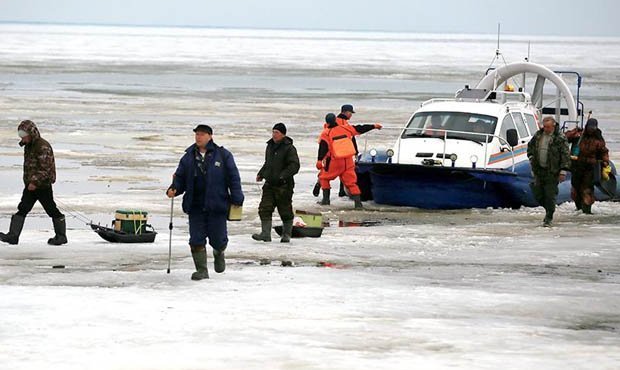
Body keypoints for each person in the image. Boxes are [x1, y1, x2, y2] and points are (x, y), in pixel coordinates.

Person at [167, 124, 244, 280]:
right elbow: (180, 177)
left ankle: (219, 251)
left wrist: (237, 198)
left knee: (218, 239)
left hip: (217, 205)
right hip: (195, 205)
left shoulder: (223, 155)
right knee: (196, 239)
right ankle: (202, 270)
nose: (198, 137)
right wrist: (174, 189)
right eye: (197, 134)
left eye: (201, 134)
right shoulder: (188, 157)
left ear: (210, 136)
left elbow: (233, 178)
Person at [0, 120, 67, 245]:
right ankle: (13, 236)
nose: (22, 138)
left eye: (23, 135)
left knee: (51, 210)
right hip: (31, 186)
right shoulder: (29, 145)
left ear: (31, 133)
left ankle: (61, 236)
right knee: (23, 208)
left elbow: (45, 169)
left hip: (42, 186)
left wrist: (35, 182)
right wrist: (29, 183)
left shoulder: (42, 146)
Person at [317, 111, 382, 208]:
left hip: (334, 161)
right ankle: (358, 204)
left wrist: (319, 160)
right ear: (335, 120)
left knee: (324, 178)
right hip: (348, 161)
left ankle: (326, 200)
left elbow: (323, 147)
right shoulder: (346, 128)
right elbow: (360, 128)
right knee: (351, 183)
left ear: (327, 123)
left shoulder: (326, 133)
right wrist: (374, 126)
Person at [252, 123, 300, 243]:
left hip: (284, 185)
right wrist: (261, 173)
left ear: (283, 134)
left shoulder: (289, 148)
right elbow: (268, 163)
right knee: (264, 209)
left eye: (277, 132)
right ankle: (265, 234)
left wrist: (283, 176)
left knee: (285, 211)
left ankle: (286, 234)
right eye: (273, 132)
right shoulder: (270, 146)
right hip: (269, 184)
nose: (274, 134)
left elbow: (295, 165)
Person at [526, 116, 571, 227]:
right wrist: (531, 157)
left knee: (550, 195)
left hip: (552, 171)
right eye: (544, 126)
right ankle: (549, 209)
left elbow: (565, 155)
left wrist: (563, 171)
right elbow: (530, 146)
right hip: (539, 170)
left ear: (553, 126)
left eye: (548, 127)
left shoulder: (560, 138)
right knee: (538, 194)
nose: (545, 129)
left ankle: (549, 217)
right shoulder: (538, 135)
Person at [568, 118, 609, 214]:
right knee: (575, 189)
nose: (591, 130)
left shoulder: (598, 139)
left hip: (590, 168)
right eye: (590, 127)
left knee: (587, 190)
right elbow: (565, 138)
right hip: (576, 166)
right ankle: (578, 209)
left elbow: (604, 151)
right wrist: (574, 131)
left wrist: (605, 161)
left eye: (593, 128)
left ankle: (587, 211)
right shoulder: (579, 136)